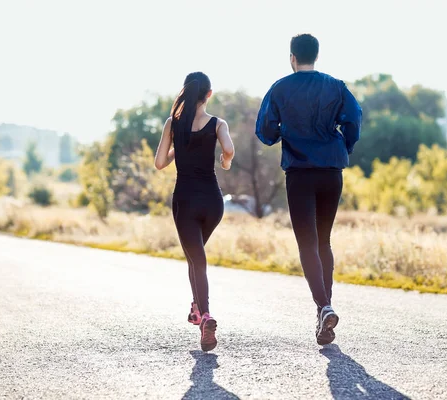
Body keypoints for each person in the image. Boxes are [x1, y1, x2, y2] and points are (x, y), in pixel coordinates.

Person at [255, 34, 362, 345]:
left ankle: (324, 307)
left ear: (292, 58)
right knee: (323, 241)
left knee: (307, 244)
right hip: (331, 170)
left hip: (300, 173)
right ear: (316, 55)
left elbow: (264, 130)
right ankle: (323, 316)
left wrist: (282, 133)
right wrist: (345, 144)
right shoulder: (336, 86)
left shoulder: (280, 88)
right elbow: (354, 118)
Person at [155, 72, 235, 352]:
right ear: (208, 94)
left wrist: (180, 147)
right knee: (195, 256)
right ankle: (197, 307)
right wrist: (225, 163)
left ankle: (206, 316)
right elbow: (228, 149)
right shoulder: (217, 123)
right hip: (213, 203)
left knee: (196, 259)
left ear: (186, 92)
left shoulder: (173, 124)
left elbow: (159, 163)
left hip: (186, 201)